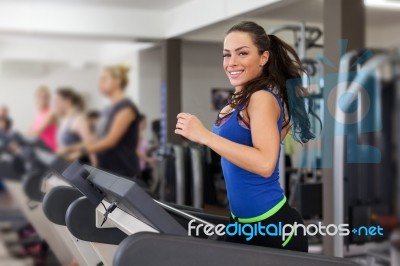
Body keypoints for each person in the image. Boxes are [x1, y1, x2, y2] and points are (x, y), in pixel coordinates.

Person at [175, 21, 320, 252]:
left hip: (271, 226)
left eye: (242, 53)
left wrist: (204, 135)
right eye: (227, 55)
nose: (231, 62)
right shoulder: (238, 101)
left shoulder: (261, 99)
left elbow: (264, 164)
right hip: (241, 224)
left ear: (263, 57)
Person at [61, 64, 141, 178]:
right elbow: (96, 139)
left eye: (104, 79)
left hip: (123, 171)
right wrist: (70, 148)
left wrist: (80, 152)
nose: (100, 84)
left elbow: (110, 141)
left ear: (117, 81)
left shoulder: (126, 108)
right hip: (107, 169)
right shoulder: (107, 109)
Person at [54, 87, 96, 165]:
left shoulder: (78, 119)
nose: (55, 104)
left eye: (57, 101)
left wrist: (68, 149)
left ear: (68, 101)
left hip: (81, 166)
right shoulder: (64, 120)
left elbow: (90, 143)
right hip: (67, 165)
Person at [28, 86, 58, 151]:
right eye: (39, 97)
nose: (42, 100)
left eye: (45, 97)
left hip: (51, 148)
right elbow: (31, 130)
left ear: (49, 99)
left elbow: (37, 132)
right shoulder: (38, 114)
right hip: (41, 146)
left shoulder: (51, 113)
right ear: (35, 98)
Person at [136, 114, 156, 183]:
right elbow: (135, 151)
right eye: (144, 122)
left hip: (142, 167)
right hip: (139, 167)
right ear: (139, 123)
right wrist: (148, 159)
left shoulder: (140, 133)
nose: (146, 124)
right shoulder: (138, 134)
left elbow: (141, 149)